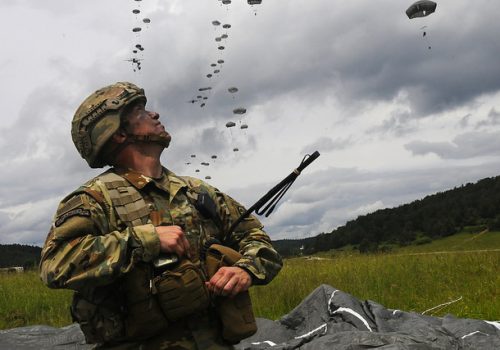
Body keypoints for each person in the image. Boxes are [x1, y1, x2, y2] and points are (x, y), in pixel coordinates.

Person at [39, 82, 283, 349]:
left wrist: (245, 269)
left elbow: (257, 239)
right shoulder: (94, 199)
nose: (155, 115)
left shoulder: (196, 192)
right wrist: (145, 241)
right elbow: (55, 265)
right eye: (141, 113)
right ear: (118, 133)